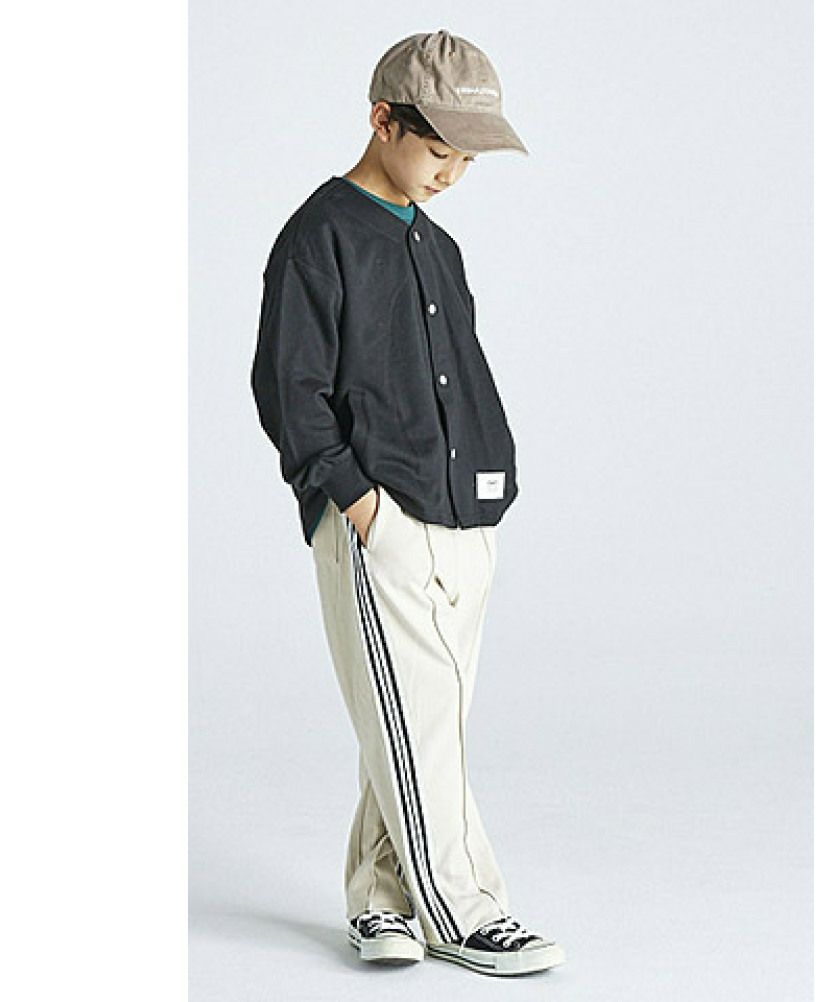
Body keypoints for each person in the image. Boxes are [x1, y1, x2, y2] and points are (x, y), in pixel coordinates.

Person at [250, 29, 565, 977]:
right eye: (439, 151)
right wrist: (357, 505)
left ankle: (382, 901)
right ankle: (466, 910)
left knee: (417, 724)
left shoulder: (440, 245)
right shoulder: (319, 237)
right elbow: (289, 389)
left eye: (468, 159)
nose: (452, 174)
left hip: (463, 517)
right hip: (378, 521)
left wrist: (492, 483)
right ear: (383, 120)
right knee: (415, 720)